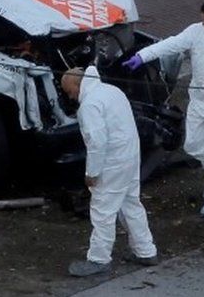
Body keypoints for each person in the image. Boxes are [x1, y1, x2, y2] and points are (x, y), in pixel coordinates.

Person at [122, 0, 204, 219]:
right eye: (202, 19)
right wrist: (142, 56)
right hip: (200, 101)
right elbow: (172, 44)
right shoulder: (196, 32)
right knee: (195, 145)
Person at [61, 66, 158, 277]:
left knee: (102, 210)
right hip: (130, 156)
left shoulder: (89, 105)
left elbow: (97, 142)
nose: (71, 96)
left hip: (112, 162)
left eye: (70, 91)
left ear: (78, 84)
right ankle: (146, 250)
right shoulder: (111, 91)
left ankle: (98, 259)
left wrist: (92, 173)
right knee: (131, 204)